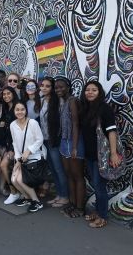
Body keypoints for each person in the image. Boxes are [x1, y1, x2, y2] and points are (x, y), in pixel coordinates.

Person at [79, 80, 121, 228]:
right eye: (87, 90)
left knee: (99, 186)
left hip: (101, 155)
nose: (90, 92)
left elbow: (111, 131)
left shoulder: (105, 109)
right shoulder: (85, 108)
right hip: (90, 155)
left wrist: (114, 153)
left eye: (94, 90)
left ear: (99, 92)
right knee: (96, 184)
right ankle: (98, 211)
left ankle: (102, 216)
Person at [55, 76, 86, 218]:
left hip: (74, 142)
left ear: (68, 87)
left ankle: (80, 208)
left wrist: (74, 147)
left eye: (61, 87)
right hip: (64, 141)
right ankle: (72, 204)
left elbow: (76, 124)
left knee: (77, 176)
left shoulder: (73, 101)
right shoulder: (63, 101)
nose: (58, 89)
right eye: (56, 87)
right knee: (69, 174)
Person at [10, 101, 45, 212]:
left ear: (26, 110)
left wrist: (29, 151)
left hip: (34, 156)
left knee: (20, 180)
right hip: (21, 159)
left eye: (22, 109)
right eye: (17, 109)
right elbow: (15, 143)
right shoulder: (12, 125)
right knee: (13, 180)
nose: (20, 112)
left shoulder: (33, 123)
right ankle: (27, 198)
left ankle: (37, 201)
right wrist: (17, 160)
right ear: (14, 111)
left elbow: (40, 139)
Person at [40, 77, 69, 207]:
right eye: (42, 85)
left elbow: (62, 123)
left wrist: (57, 139)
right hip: (45, 141)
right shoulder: (41, 101)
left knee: (59, 169)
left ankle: (65, 196)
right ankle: (59, 195)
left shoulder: (59, 102)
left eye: (48, 86)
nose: (44, 88)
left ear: (52, 88)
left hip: (54, 141)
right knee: (52, 168)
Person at [0, 86, 20, 204]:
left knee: (6, 166)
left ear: (13, 94)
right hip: (9, 144)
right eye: (4, 94)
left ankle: (17, 192)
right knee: (5, 166)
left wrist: (12, 149)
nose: (6, 96)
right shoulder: (5, 108)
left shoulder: (18, 107)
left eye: (9, 93)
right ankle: (14, 192)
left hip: (18, 145)